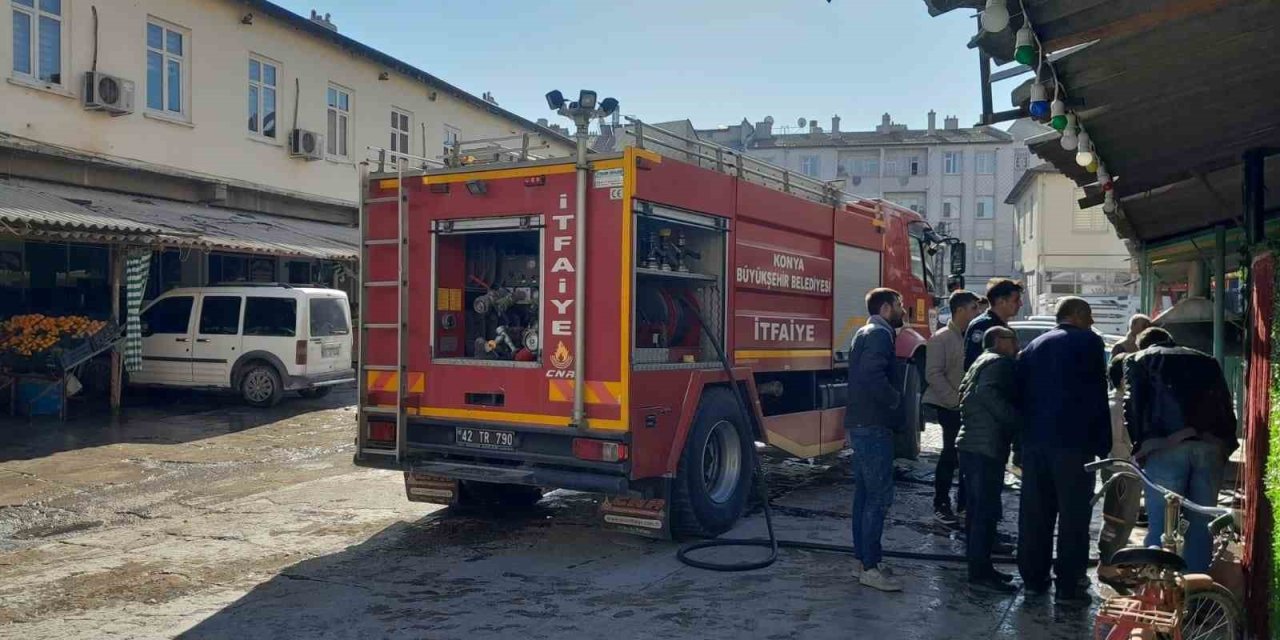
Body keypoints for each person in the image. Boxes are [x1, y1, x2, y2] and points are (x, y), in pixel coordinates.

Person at [1015, 297, 1111, 602]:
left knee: (1035, 514)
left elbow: (1021, 396)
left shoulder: (1034, 346)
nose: (1092, 322)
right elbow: (1097, 393)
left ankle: (1033, 578)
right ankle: (1069, 584)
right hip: (1073, 444)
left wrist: (1020, 444)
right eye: (1090, 316)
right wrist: (1102, 444)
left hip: (1035, 444)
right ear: (1078, 316)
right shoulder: (1089, 343)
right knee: (1073, 516)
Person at [1124, 327, 1238, 573]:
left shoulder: (1139, 359)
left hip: (1163, 447)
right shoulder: (1207, 361)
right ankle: (1195, 590)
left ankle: (1159, 593)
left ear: (1143, 344)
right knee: (1201, 524)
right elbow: (1225, 405)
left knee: (1162, 525)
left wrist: (1139, 446)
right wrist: (1224, 446)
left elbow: (1132, 406)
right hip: (1209, 446)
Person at [846, 287, 906, 592]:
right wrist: (895, 400)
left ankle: (864, 560)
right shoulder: (879, 334)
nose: (903, 310)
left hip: (862, 423)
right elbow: (873, 375)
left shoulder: (866, 331)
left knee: (865, 495)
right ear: (885, 308)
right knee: (879, 496)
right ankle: (870, 567)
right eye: (899, 304)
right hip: (873, 425)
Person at [957, 326, 1021, 593]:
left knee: (977, 511)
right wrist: (1014, 419)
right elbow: (986, 395)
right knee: (984, 512)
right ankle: (980, 574)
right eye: (1012, 339)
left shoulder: (981, 361)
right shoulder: (999, 363)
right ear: (998, 341)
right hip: (985, 447)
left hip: (972, 444)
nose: (1017, 344)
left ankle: (981, 567)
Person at [924, 290, 982, 527]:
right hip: (949, 406)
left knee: (966, 457)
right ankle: (941, 503)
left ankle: (964, 504)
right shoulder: (941, 338)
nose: (977, 313)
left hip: (969, 407)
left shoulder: (974, 336)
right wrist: (955, 400)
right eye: (973, 308)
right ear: (959, 310)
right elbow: (933, 374)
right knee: (949, 455)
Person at [1095, 354, 1143, 590]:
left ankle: (1114, 563)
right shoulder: (1119, 404)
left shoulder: (1116, 401)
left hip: (1121, 468)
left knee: (1121, 518)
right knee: (1118, 519)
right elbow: (1119, 443)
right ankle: (1108, 566)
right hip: (1122, 469)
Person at [964, 280, 1023, 371]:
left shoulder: (1005, 327)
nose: (1020, 304)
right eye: (1016, 300)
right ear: (1001, 301)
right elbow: (972, 364)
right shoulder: (982, 325)